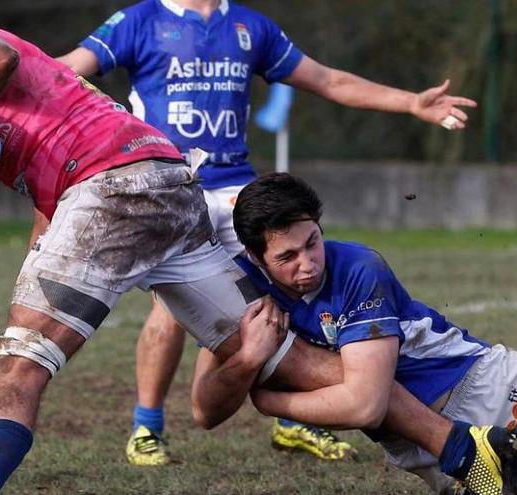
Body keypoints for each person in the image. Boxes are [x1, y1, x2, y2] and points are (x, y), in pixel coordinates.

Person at [0, 2, 515, 494]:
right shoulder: (98, 38)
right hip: (168, 184)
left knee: (19, 368)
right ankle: (469, 453)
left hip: (113, 190)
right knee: (282, 356)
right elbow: (50, 111)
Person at [57, 0, 478, 465]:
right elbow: (65, 74)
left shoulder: (249, 27)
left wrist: (411, 102)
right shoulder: (140, 20)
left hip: (237, 191)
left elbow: (328, 80)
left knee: (282, 293)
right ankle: (147, 426)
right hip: (171, 186)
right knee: (173, 308)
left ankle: (294, 422)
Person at [192, 172, 517, 494]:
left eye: (313, 243)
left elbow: (365, 404)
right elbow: (205, 411)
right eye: (288, 257)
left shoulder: (359, 268)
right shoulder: (241, 296)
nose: (308, 264)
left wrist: (266, 400)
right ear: (256, 258)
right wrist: (244, 360)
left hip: (480, 382)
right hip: (427, 446)